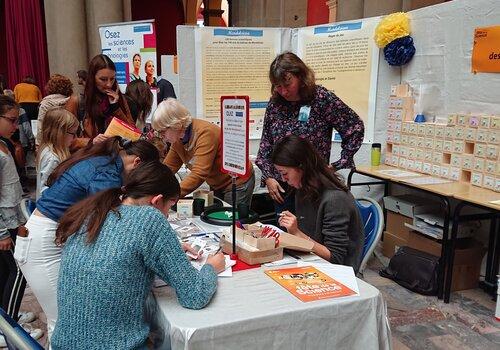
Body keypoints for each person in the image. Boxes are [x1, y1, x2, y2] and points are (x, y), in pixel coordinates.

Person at [51, 161, 225, 349]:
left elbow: (115, 255)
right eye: (169, 206)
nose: (167, 215)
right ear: (157, 200)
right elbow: (195, 295)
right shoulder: (149, 219)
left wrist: (167, 251)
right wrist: (211, 268)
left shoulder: (96, 210)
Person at [14, 137, 159, 341]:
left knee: (69, 315)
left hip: (51, 238)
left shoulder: (105, 161)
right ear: (137, 163)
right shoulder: (106, 174)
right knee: (65, 320)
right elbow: (113, 223)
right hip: (42, 246)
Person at [256, 52, 364, 212]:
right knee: (285, 234)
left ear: (300, 76)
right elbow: (266, 143)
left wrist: (338, 164)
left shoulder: (320, 98)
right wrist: (269, 177)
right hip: (282, 188)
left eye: (287, 84)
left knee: (310, 233)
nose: (284, 92)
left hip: (312, 185)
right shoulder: (275, 104)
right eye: (278, 86)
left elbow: (354, 127)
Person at [273, 135, 364, 273]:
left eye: (284, 173)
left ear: (301, 166)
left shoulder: (335, 199)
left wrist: (297, 234)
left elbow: (335, 258)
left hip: (337, 273)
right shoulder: (303, 189)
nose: (283, 179)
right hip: (311, 261)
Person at [152, 98, 255, 207]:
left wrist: (171, 195)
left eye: (163, 131)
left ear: (176, 125)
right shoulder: (178, 139)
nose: (162, 136)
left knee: (230, 220)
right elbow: (167, 168)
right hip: (217, 183)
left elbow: (199, 173)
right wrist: (150, 186)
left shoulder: (205, 133)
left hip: (237, 182)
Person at [79, 54, 134, 147]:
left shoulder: (118, 97)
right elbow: (69, 141)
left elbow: (132, 132)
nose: (109, 84)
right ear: (93, 78)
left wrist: (115, 108)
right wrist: (91, 141)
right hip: (91, 155)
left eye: (112, 79)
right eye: (103, 79)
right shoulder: (80, 101)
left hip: (115, 152)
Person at [36, 108, 79, 199]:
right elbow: (44, 189)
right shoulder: (52, 158)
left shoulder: (48, 150)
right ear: (59, 133)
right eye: (73, 134)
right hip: (52, 207)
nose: (75, 138)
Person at [36, 74, 79, 145]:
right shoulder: (72, 101)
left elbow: (41, 126)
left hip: (52, 142)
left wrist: (38, 144)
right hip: (70, 140)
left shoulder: (45, 104)